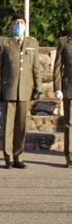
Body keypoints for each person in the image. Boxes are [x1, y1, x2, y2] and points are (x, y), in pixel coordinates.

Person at [0, 14, 42, 169]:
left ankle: (18, 156)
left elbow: (36, 67)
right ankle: (7, 157)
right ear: (10, 25)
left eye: (21, 23)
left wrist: (38, 87)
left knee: (21, 125)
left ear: (26, 26)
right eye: (15, 23)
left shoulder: (32, 43)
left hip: (25, 89)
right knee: (8, 125)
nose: (18, 25)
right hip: (9, 89)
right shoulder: (3, 42)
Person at [52, 33, 72, 168]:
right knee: (70, 124)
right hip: (70, 88)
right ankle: (70, 157)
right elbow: (58, 67)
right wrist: (57, 88)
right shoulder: (64, 41)